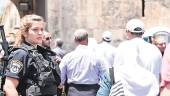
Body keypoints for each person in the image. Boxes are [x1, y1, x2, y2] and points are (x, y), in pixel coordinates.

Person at [3, 14, 60, 96]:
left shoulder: (42, 53)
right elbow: (9, 87)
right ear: (25, 33)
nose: (40, 33)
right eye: (35, 30)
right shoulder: (20, 54)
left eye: (42, 29)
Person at [112, 19, 162, 96]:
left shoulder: (123, 47)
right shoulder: (155, 49)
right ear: (143, 33)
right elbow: (159, 74)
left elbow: (116, 72)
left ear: (128, 32)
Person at [59, 29, 107, 96]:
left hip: (73, 92)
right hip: (92, 92)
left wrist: (61, 84)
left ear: (75, 40)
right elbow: (105, 76)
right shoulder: (97, 57)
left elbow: (61, 76)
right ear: (87, 40)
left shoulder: (67, 57)